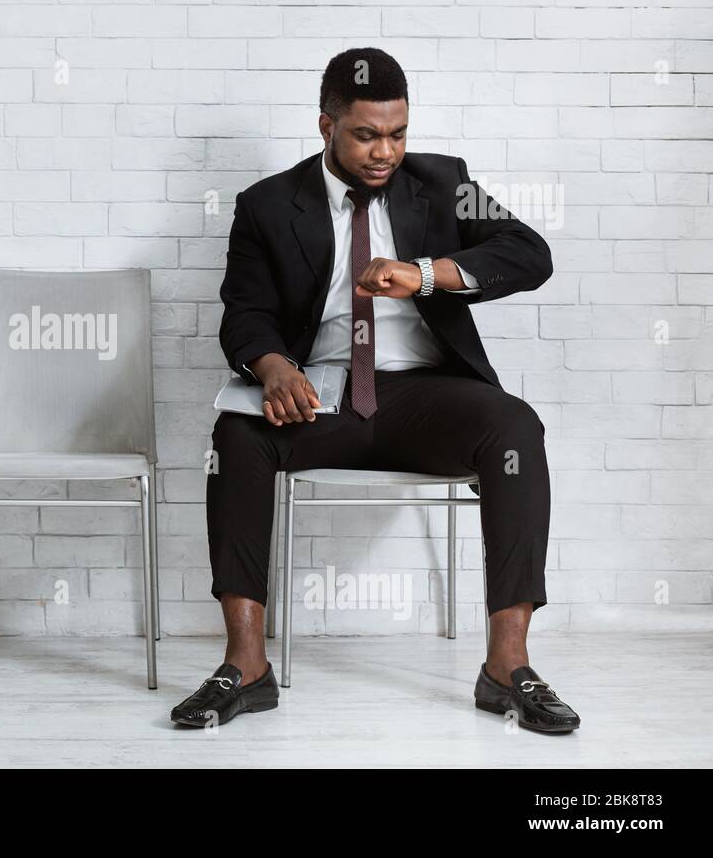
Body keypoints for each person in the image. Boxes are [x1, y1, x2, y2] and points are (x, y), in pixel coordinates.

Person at [171, 48, 580, 734]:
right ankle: (246, 666)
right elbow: (244, 313)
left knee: (514, 429)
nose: (385, 151)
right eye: (366, 134)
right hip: (321, 396)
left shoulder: (444, 183)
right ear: (326, 124)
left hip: (426, 398)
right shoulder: (268, 205)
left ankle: (507, 667)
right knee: (235, 436)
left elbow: (528, 253)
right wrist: (273, 368)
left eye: (398, 133)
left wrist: (426, 274)